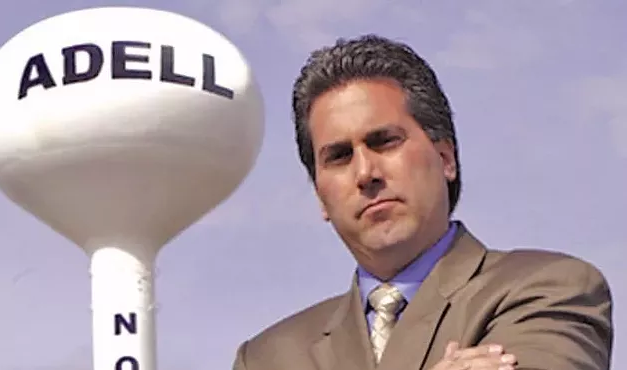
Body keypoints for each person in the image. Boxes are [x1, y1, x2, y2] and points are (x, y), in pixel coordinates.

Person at [232, 34, 613, 370]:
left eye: (384, 141)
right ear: (319, 196)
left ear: (446, 158)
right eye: (340, 156)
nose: (365, 172)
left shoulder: (547, 289)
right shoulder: (268, 357)